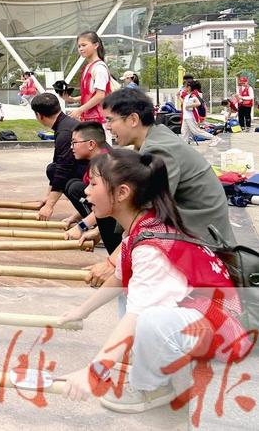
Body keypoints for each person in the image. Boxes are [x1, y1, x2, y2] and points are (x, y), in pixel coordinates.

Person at [58, 150, 250, 414]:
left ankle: (153, 388)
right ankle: (157, 358)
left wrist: (95, 371)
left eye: (93, 184)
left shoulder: (150, 247)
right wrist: (82, 311)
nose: (86, 193)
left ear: (122, 193)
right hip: (201, 316)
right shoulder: (141, 227)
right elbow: (119, 279)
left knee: (149, 319)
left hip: (223, 331)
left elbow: (138, 314)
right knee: (136, 298)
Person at [85, 88, 236, 288]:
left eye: (111, 120)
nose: (108, 127)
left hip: (203, 238)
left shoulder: (159, 150)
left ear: (132, 119)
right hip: (190, 228)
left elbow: (150, 213)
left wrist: (113, 262)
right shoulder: (151, 141)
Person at [60, 122, 119, 253]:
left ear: (91, 144)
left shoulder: (106, 165)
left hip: (118, 221)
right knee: (73, 185)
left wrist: (81, 226)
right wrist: (76, 218)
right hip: (111, 214)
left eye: (74, 142)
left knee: (75, 188)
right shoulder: (98, 161)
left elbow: (109, 202)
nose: (71, 147)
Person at [30, 93, 87, 221]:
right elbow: (58, 163)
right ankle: (85, 214)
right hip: (88, 171)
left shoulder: (65, 132)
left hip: (96, 178)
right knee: (53, 168)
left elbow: (64, 169)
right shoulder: (65, 124)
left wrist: (49, 206)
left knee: (70, 184)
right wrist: (48, 196)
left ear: (39, 115)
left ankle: (91, 216)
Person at [63, 31, 112, 126]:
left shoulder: (99, 68)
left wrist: (79, 110)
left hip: (99, 119)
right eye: (79, 46)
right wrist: (72, 99)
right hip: (91, 118)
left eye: (84, 45)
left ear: (96, 45)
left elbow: (100, 95)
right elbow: (91, 95)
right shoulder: (89, 67)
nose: (81, 49)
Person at [180, 79, 219, 145]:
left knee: (196, 132)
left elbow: (198, 103)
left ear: (189, 88)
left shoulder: (192, 95)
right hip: (185, 118)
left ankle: (214, 138)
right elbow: (184, 104)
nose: (184, 88)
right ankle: (184, 145)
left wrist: (188, 106)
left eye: (185, 86)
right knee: (184, 132)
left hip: (190, 117)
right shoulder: (187, 96)